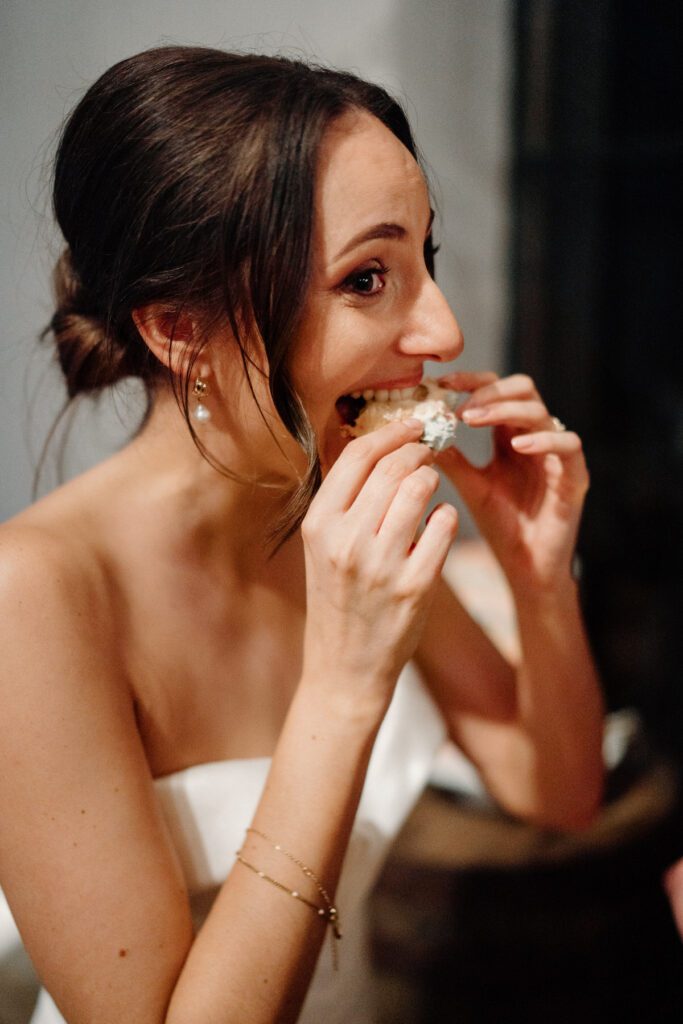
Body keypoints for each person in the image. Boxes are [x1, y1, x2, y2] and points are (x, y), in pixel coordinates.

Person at [0, 45, 605, 1024]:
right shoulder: (32, 593)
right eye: (368, 278)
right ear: (178, 329)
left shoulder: (327, 506)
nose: (444, 332)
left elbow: (558, 794)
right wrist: (343, 680)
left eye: (425, 259)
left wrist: (536, 580)